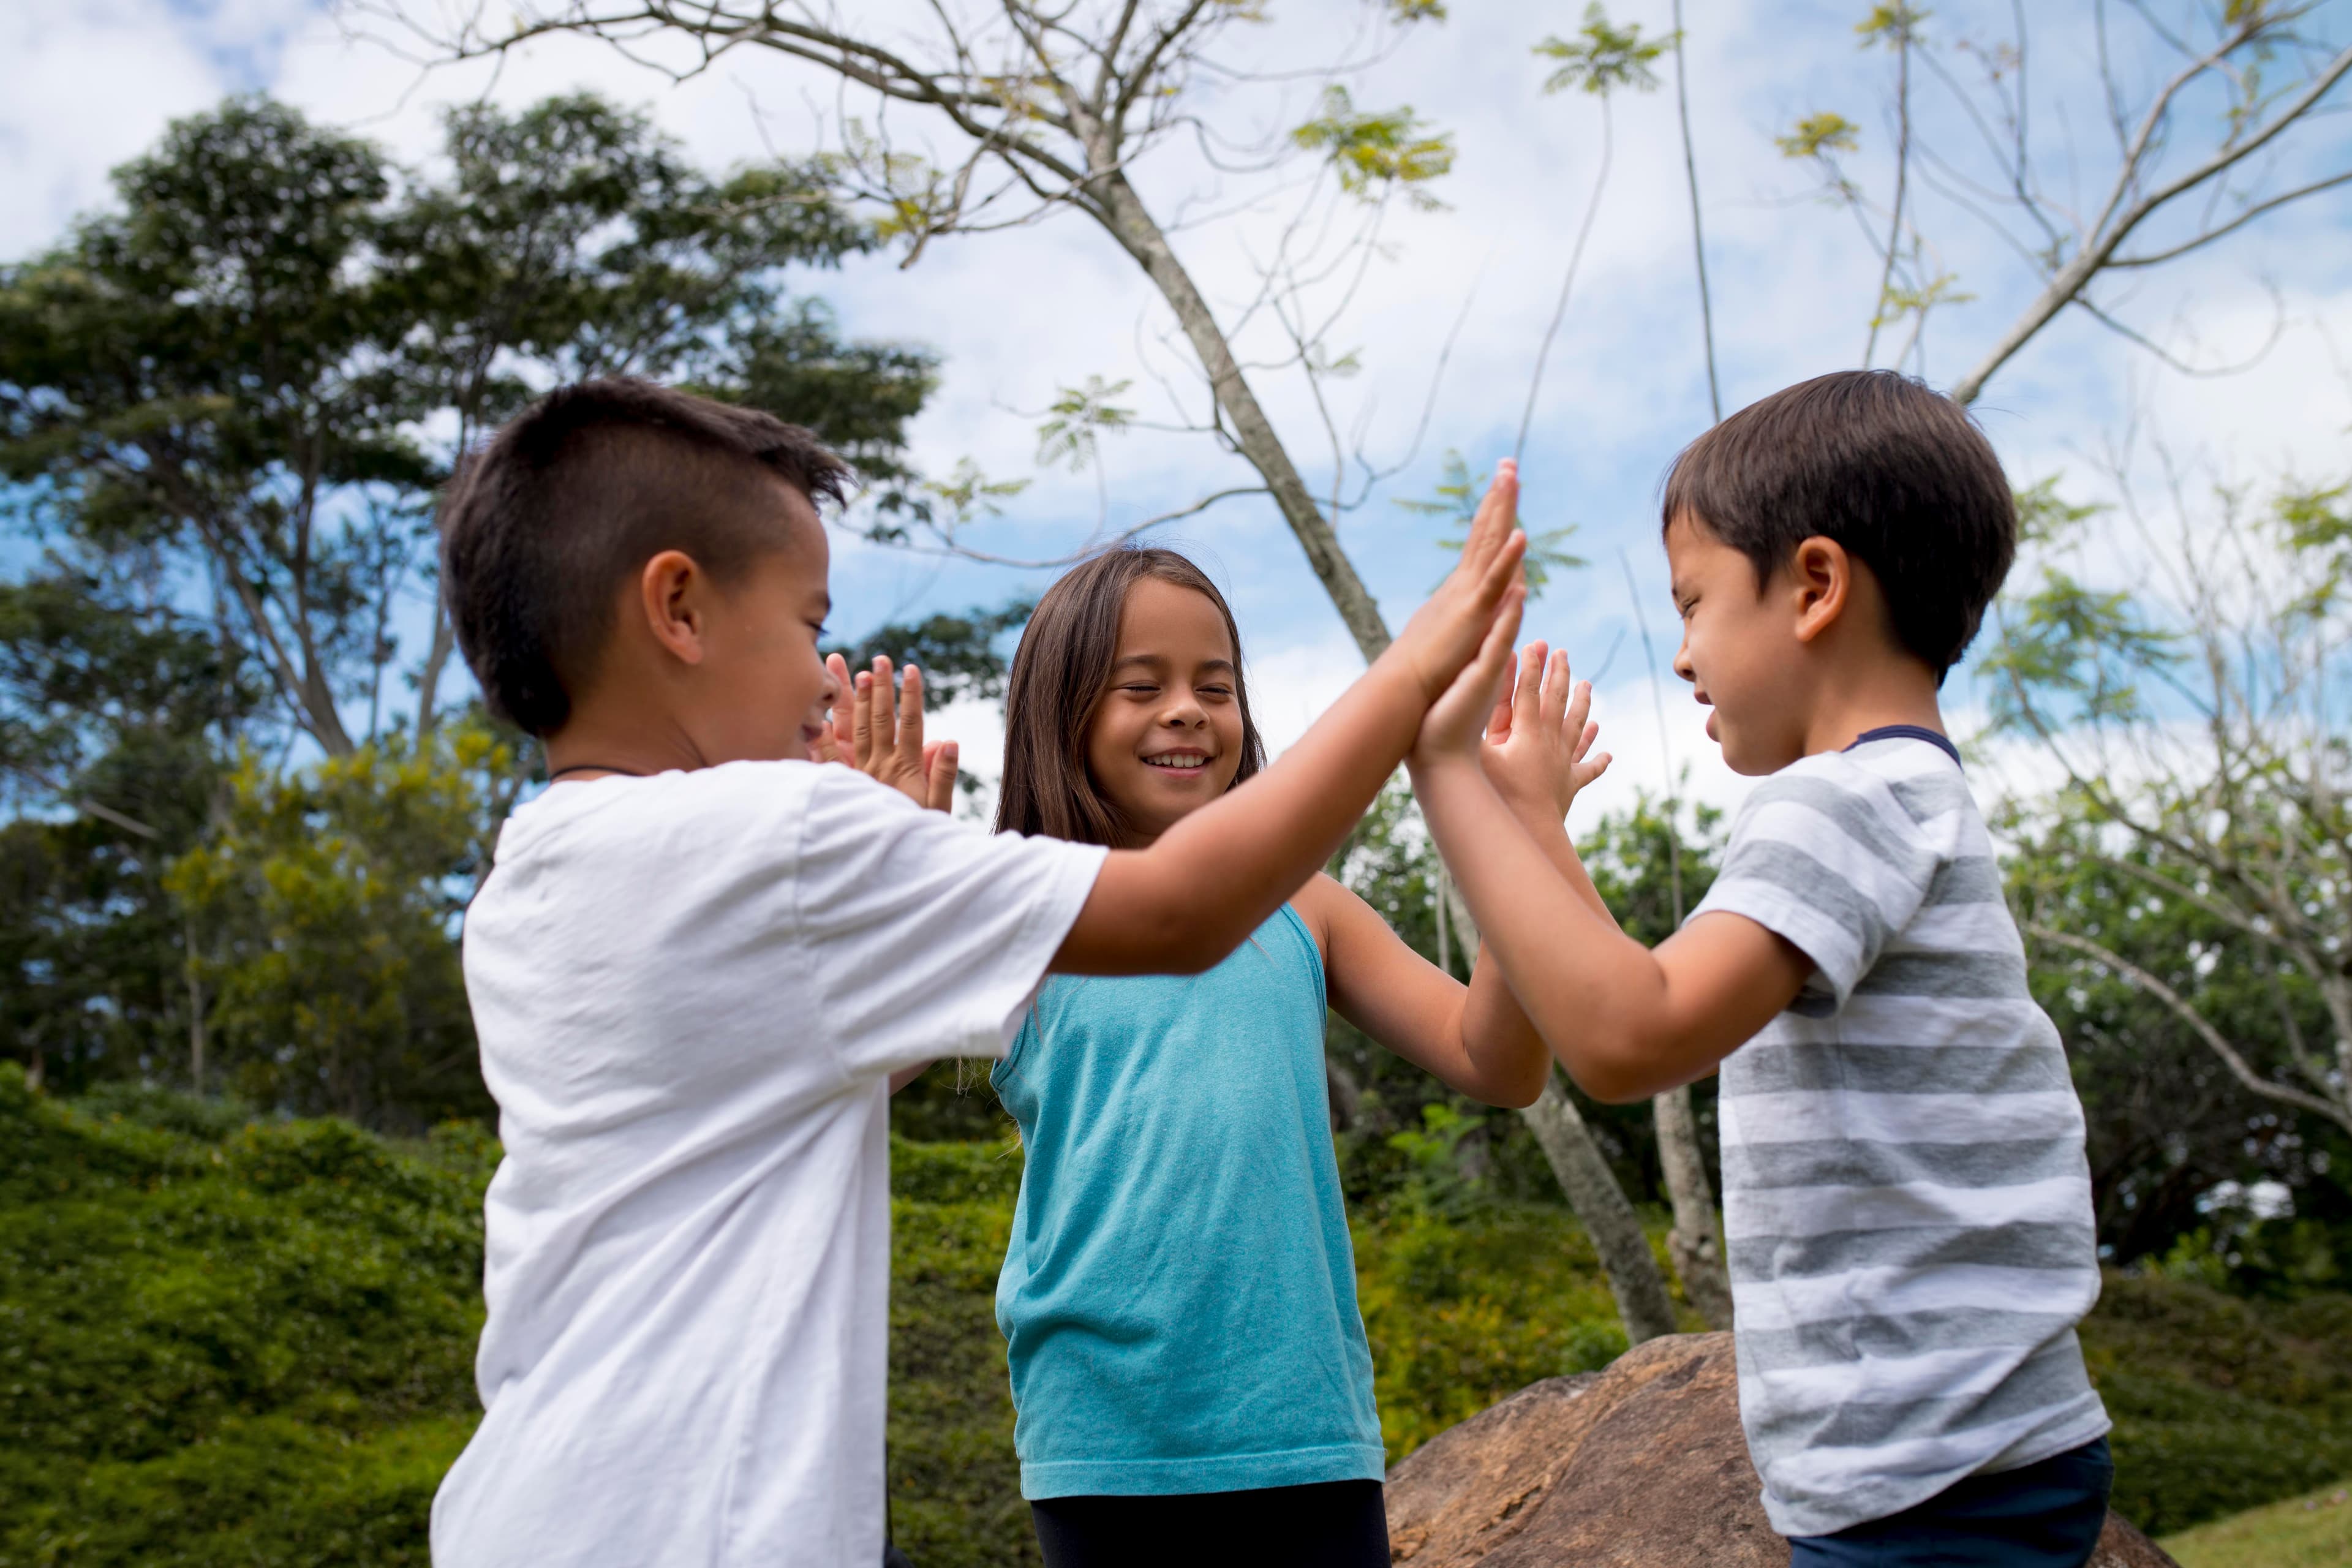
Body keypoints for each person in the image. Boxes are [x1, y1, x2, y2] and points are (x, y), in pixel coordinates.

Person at [423, 376, 1527, 1568]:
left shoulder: (530, 880)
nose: (820, 679)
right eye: (809, 624)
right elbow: (1183, 908)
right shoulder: (771, 839)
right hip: (713, 1518)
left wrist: (868, 886)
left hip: (543, 1505)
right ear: (679, 608)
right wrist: (1411, 671)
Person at [1409, 372, 2114, 1567]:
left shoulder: (1841, 804)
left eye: (1694, 604)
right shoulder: (1897, 796)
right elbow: (1648, 989)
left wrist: (1443, 768)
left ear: (1816, 586)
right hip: (1959, 1454)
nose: (1683, 655)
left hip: (1931, 1473)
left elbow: (1630, 1037)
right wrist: (1534, 825)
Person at [976, 541, 1605, 1567]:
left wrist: (1527, 825)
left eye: (1214, 687)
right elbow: (860, 1075)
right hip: (1103, 1439)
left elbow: (1500, 1064)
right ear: (1061, 713)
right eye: (1143, 687)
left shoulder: (1308, 907)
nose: (1187, 710)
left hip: (1306, 1430)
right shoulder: (1018, 907)